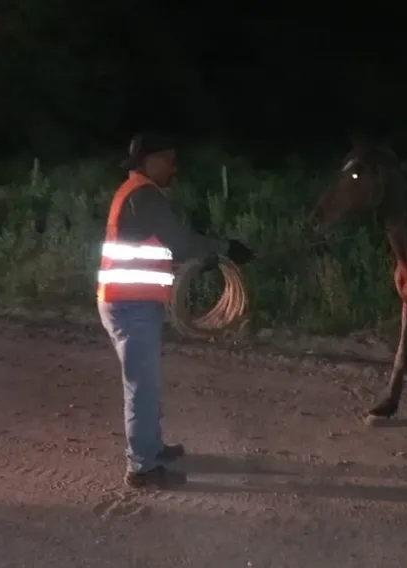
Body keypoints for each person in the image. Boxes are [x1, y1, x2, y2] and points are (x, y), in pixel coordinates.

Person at [96, 131, 255, 489]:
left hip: (132, 300)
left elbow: (172, 241)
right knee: (141, 385)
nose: (173, 167)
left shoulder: (136, 191)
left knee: (146, 382)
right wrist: (226, 248)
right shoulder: (143, 194)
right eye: (167, 159)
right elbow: (180, 242)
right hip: (129, 302)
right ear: (148, 161)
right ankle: (141, 468)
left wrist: (213, 253)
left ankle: (151, 447)